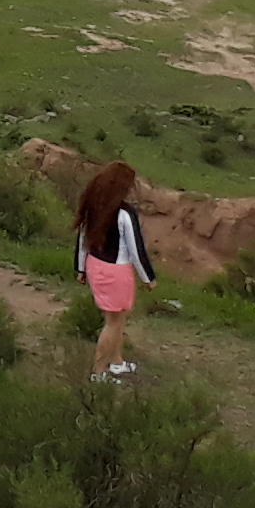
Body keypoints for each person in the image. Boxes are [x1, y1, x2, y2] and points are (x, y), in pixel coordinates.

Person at [76, 159, 150, 379]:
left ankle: (117, 362)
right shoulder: (125, 213)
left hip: (95, 265)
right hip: (116, 271)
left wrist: (80, 268)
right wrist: (148, 277)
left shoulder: (93, 205)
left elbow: (83, 239)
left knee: (117, 316)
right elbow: (136, 249)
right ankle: (99, 372)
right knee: (113, 321)